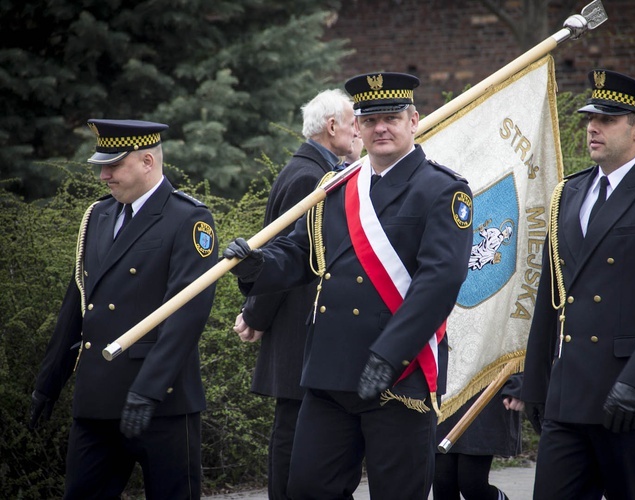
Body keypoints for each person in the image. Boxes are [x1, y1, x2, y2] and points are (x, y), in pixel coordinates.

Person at [223, 72, 474, 499]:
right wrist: (255, 266)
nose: (381, 128)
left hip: (399, 375)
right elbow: (302, 255)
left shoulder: (442, 191)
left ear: (414, 120)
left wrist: (389, 354)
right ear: (355, 126)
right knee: (306, 488)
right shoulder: (335, 189)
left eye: (392, 117)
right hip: (329, 371)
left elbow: (440, 282)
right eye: (370, 119)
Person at [520, 69, 635, 499]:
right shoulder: (569, 193)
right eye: (591, 118)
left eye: (607, 120)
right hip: (569, 396)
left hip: (633, 397)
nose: (592, 128)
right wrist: (535, 382)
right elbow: (553, 295)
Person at [29, 119, 217, 498]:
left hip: (162, 404)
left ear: (147, 161)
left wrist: (147, 391)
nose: (103, 175)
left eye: (113, 165)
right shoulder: (98, 216)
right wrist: (48, 384)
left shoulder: (189, 219)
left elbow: (186, 316)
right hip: (97, 400)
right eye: (102, 165)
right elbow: (78, 305)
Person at [232, 88, 359, 500]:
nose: (360, 128)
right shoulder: (309, 176)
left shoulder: (318, 169)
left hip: (302, 323)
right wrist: (255, 314)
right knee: (293, 434)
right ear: (332, 125)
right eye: (353, 120)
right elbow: (284, 253)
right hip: (297, 327)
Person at [433, 375, 523, 500]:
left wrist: (518, 383)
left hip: (487, 385)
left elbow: (524, 356)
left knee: (472, 485)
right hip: (445, 385)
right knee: (443, 481)